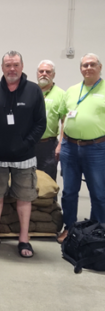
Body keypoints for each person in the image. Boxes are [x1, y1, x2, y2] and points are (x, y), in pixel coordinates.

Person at [0, 51, 46, 258]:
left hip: (24, 157)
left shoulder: (34, 91)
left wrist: (26, 143)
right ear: (2, 68)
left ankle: (24, 239)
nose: (12, 69)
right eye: (8, 65)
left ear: (22, 66)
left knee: (24, 198)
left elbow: (41, 123)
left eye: (15, 65)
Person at [57, 53, 105, 243]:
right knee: (69, 192)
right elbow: (63, 118)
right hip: (69, 146)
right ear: (80, 68)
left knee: (99, 193)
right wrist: (61, 143)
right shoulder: (71, 90)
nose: (88, 68)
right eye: (85, 65)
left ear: (100, 67)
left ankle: (97, 232)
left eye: (92, 64)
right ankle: (69, 228)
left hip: (96, 148)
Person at [36, 59, 66, 180]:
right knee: (26, 181)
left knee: (48, 181)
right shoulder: (30, 91)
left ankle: (50, 200)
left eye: (48, 72)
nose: (44, 74)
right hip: (29, 144)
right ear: (37, 73)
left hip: (48, 145)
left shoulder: (61, 94)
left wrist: (60, 145)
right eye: (41, 71)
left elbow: (64, 121)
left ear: (53, 75)